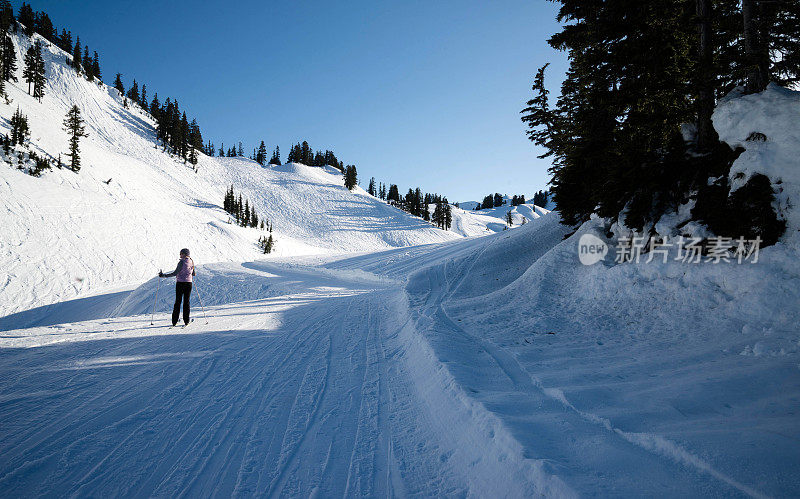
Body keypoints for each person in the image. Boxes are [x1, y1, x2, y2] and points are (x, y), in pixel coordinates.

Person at [159, 248, 196, 326]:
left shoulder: (181, 262)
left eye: (181, 254)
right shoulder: (191, 261)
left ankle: (174, 321)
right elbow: (193, 274)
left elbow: (175, 273)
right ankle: (186, 320)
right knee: (186, 302)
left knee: (178, 302)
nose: (180, 255)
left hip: (180, 284)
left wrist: (164, 275)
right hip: (189, 284)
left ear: (184, 254)